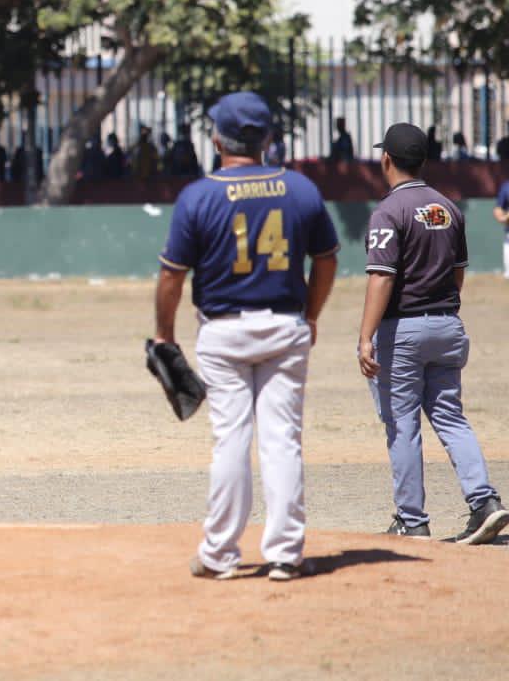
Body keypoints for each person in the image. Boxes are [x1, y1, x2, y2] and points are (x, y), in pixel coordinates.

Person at [155, 91, 339, 582]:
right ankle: (284, 553)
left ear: (216, 138)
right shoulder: (300, 190)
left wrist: (164, 334)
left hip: (224, 331)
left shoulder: (199, 195)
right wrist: (312, 315)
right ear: (269, 139)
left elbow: (172, 276)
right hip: (285, 325)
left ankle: (219, 554)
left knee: (230, 440)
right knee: (281, 441)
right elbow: (326, 259)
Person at [358, 123, 509, 544]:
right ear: (423, 161)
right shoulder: (448, 208)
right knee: (450, 416)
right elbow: (457, 275)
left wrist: (366, 336)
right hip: (447, 325)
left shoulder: (388, 211)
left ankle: (412, 519)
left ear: (386, 159)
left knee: (402, 424)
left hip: (402, 331)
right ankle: (484, 503)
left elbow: (381, 278)